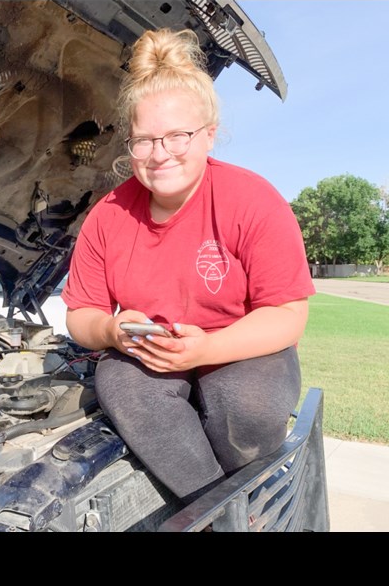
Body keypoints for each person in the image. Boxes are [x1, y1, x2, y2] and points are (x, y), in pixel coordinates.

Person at [61, 28, 314, 504]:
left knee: (244, 403)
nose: (160, 154)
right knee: (119, 380)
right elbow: (81, 315)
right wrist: (113, 331)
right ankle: (220, 513)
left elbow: (287, 314)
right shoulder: (107, 216)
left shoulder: (253, 200)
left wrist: (207, 349)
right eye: (144, 140)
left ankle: (263, 502)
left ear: (209, 134)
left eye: (178, 136)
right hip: (152, 354)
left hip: (243, 345)